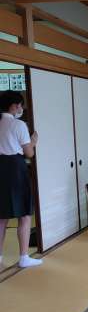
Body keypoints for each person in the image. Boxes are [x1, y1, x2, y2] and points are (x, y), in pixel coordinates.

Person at [0, 90, 42, 268]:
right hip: (15, 169)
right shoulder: (18, 125)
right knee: (24, 215)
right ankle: (24, 257)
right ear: (14, 106)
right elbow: (29, 153)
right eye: (20, 105)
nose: (21, 108)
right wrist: (33, 141)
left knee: (1, 216)